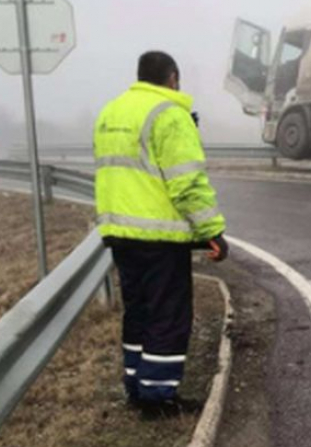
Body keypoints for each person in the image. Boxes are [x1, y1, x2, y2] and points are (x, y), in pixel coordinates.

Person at [93, 51, 228, 414]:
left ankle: (136, 386)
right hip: (159, 239)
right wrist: (212, 231)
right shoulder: (169, 115)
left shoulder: (111, 113)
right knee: (167, 316)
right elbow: (187, 184)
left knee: (137, 312)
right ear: (172, 77)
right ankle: (157, 399)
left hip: (119, 234)